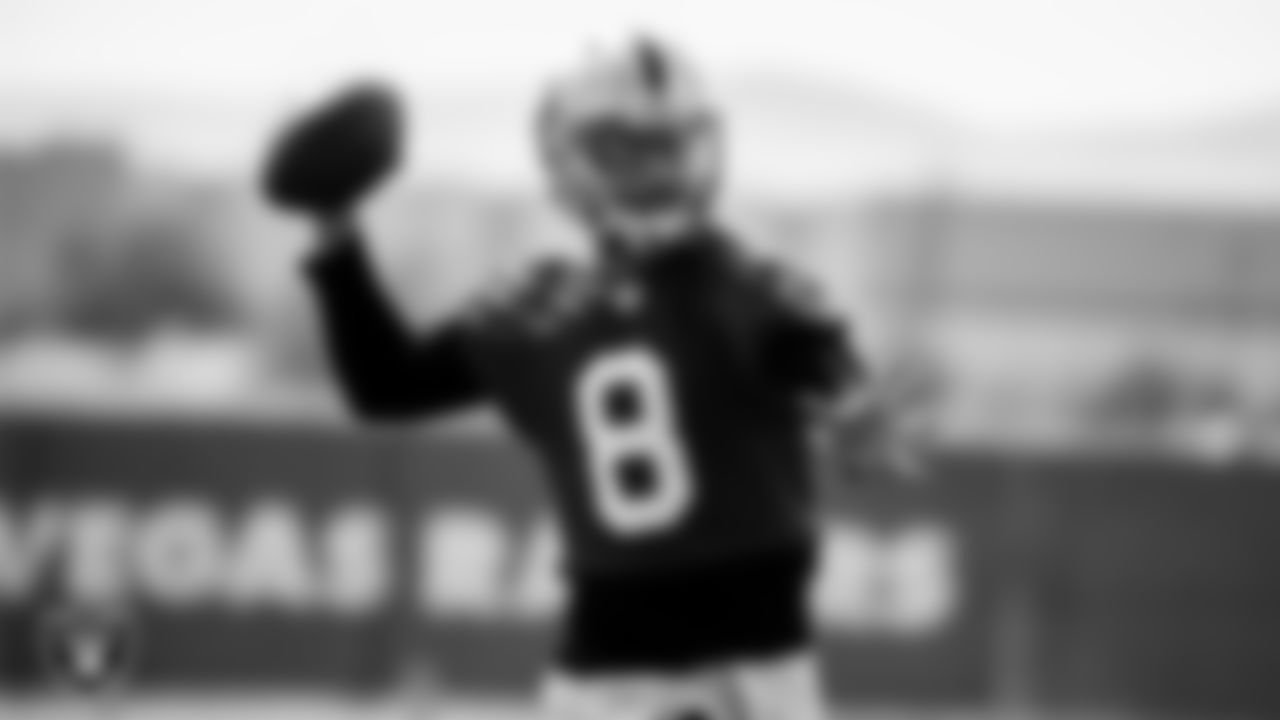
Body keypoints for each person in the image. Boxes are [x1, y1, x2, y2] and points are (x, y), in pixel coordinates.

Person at [262, 35, 912, 720]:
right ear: (569, 161)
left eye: (672, 145)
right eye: (627, 150)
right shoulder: (545, 301)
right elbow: (387, 386)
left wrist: (850, 400)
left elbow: (810, 353)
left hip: (745, 667)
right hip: (623, 669)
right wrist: (334, 230)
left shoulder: (739, 287)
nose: (659, 170)